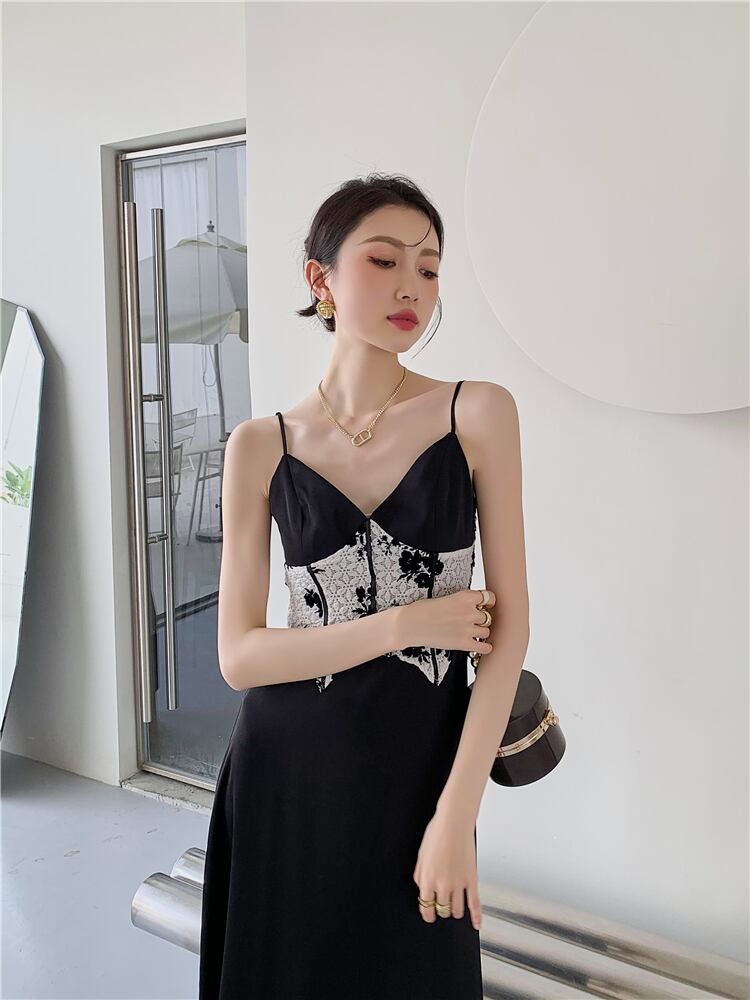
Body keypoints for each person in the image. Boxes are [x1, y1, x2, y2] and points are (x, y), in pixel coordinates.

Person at [199, 173, 530, 999]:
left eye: (429, 268)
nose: (412, 287)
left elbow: (510, 634)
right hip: (286, 772)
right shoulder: (260, 445)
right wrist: (402, 625)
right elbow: (239, 657)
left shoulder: (477, 414)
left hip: (421, 775)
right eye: (385, 261)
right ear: (321, 279)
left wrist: (457, 815)